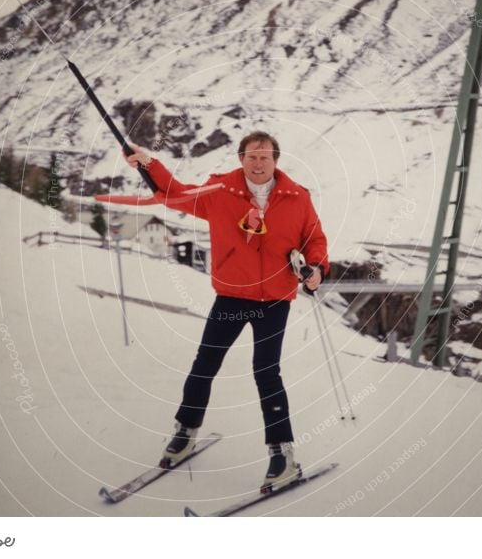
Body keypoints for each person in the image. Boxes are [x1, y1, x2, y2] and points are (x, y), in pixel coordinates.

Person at [124, 131, 329, 490]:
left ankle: (283, 455)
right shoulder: (219, 192)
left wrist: (316, 268)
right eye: (252, 157)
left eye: (265, 157)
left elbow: (315, 239)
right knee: (206, 363)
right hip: (233, 296)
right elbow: (175, 194)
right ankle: (185, 431)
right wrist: (148, 163)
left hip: (275, 301)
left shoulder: (298, 198)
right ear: (240, 158)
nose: (258, 163)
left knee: (267, 373)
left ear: (276, 160)